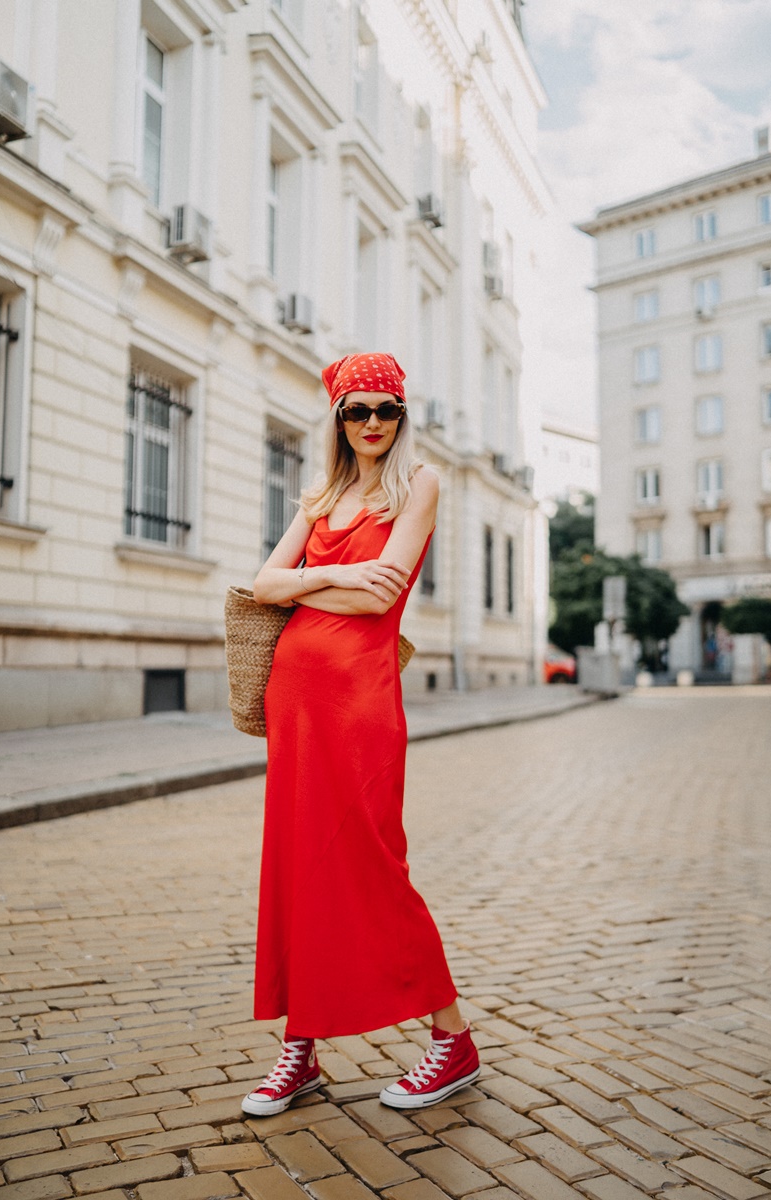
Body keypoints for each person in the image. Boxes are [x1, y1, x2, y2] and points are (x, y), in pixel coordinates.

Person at [240, 352, 479, 1116]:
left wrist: (310, 584)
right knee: (296, 870)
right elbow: (263, 586)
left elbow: (384, 600)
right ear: (337, 419)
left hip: (359, 707)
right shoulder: (320, 495)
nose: (373, 423)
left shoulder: (422, 484)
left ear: (403, 417)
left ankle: (453, 1041)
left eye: (387, 410)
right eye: (357, 410)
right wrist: (329, 577)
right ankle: (299, 1050)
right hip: (296, 706)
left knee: (373, 866)